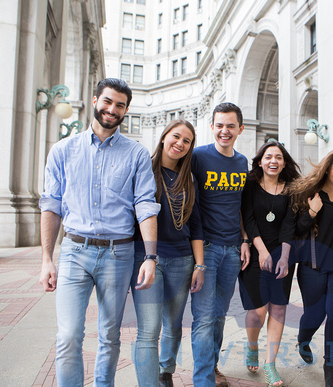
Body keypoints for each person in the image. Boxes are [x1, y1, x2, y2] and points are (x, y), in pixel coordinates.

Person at [38, 78, 160, 387]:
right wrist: (46, 259)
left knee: (109, 335)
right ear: (95, 101)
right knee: (67, 336)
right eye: (107, 101)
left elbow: (145, 205)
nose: (112, 109)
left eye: (120, 105)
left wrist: (150, 256)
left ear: (126, 110)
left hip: (118, 254)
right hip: (74, 252)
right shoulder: (63, 150)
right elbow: (51, 206)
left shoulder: (136, 154)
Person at [130, 119, 205, 387]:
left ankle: (166, 373)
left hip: (182, 260)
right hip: (147, 259)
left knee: (173, 326)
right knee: (149, 331)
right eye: (176, 137)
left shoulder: (189, 178)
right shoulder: (144, 170)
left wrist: (200, 265)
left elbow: (195, 225)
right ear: (163, 137)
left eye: (187, 141)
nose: (180, 144)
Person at [190, 102, 250, 387]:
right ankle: (203, 380)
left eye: (230, 125)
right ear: (211, 127)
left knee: (219, 316)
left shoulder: (242, 162)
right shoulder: (198, 157)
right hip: (207, 247)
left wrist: (245, 240)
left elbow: (240, 205)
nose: (224, 131)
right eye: (219, 125)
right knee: (203, 317)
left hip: (233, 250)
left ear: (240, 128)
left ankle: (211, 367)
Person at [290, 149, 333, 387]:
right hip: (312, 266)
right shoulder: (311, 194)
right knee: (315, 314)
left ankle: (330, 367)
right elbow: (296, 229)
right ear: (327, 169)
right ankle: (304, 338)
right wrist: (313, 211)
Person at [239, 141, 300, 386]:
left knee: (278, 308)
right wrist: (262, 251)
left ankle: (270, 364)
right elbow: (248, 218)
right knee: (258, 311)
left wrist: (284, 257)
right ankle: (252, 345)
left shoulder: (292, 189)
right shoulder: (250, 185)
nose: (273, 161)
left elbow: (289, 224)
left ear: (284, 162)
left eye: (278, 157)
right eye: (268, 157)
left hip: (283, 252)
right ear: (260, 161)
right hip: (255, 252)